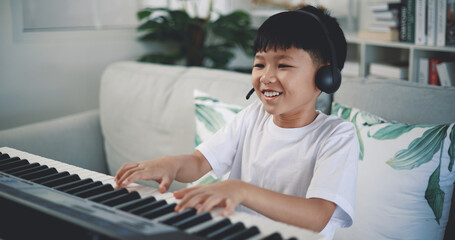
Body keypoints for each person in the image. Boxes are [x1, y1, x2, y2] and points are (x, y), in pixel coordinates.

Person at [114, 5, 359, 239]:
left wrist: (242, 190)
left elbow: (317, 216)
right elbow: (199, 163)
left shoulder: (336, 135)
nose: (266, 76)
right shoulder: (252, 117)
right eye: (259, 64)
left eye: (283, 65)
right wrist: (171, 164)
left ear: (325, 77)